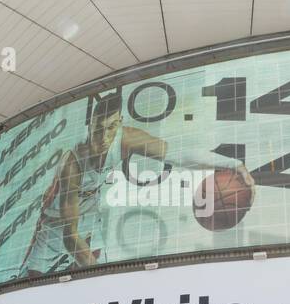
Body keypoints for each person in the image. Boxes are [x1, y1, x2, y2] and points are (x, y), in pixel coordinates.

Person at [22, 89, 255, 276]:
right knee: (33, 284)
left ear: (120, 123)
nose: (103, 138)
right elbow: (69, 235)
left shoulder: (126, 138)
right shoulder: (72, 163)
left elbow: (179, 155)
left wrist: (234, 164)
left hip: (89, 213)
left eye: (111, 128)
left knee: (89, 275)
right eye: (98, 130)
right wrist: (100, 277)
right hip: (56, 223)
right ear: (90, 125)